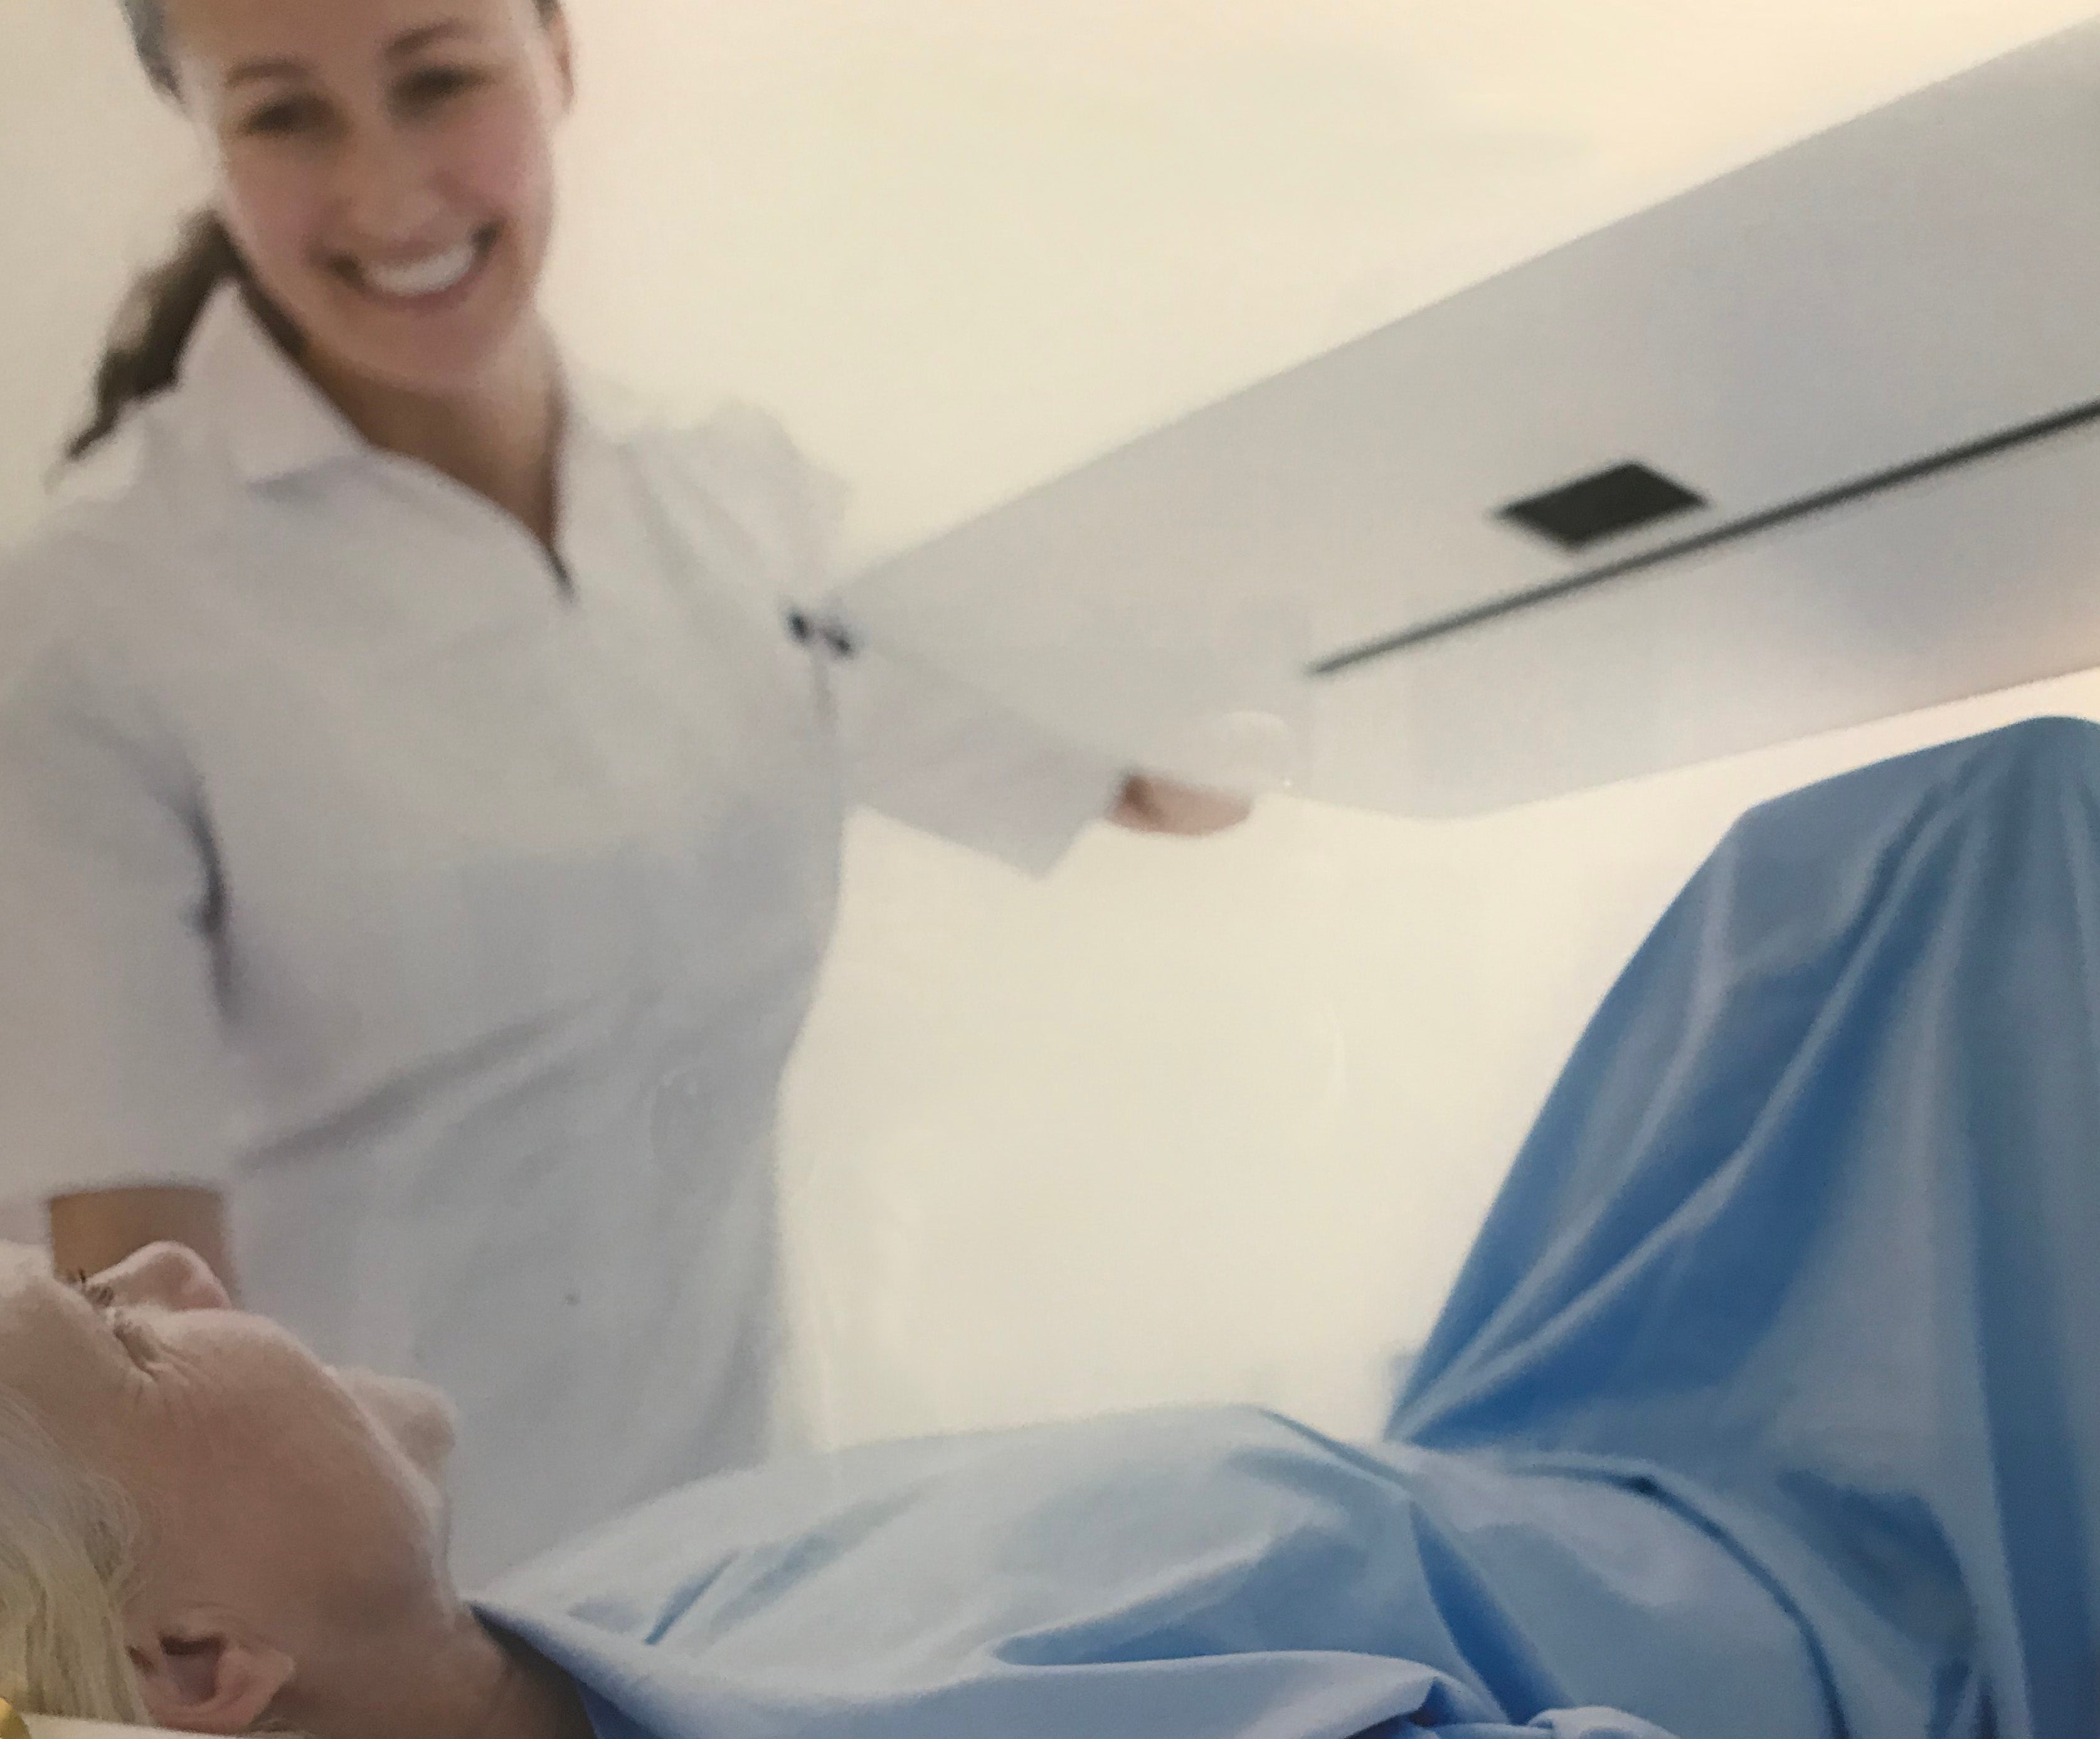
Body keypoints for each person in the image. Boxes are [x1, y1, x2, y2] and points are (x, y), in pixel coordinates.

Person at [6, 716, 2100, 1739]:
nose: (179, 1271)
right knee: (2019, 840)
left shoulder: (569, 1618)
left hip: (1558, 1443)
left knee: (1853, 869)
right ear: (198, 1659)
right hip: (1853, 1594)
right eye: (121, 1337)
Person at [0, 0, 1249, 1578]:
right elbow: (132, 1359)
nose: (388, 196)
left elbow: (1175, 777)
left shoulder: (731, 504)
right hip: (384, 1646)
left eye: (439, 79)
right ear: (202, 134)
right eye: (284, 115)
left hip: (741, 1594)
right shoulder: (95, 624)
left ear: (562, 55)